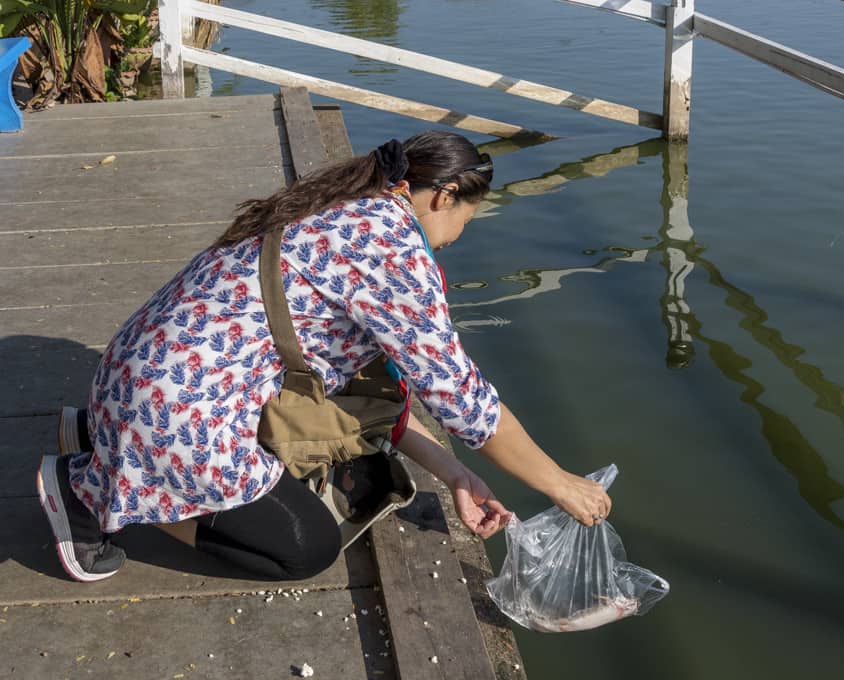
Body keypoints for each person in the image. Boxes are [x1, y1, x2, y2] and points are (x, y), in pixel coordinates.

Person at [37, 130, 613, 582]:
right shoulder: (392, 250)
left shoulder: (349, 199)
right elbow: (464, 401)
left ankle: (103, 437)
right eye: (466, 218)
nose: (460, 235)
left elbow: (369, 392)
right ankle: (91, 494)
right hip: (177, 411)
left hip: (133, 378)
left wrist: (456, 474)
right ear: (444, 196)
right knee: (304, 548)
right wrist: (560, 483)